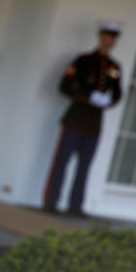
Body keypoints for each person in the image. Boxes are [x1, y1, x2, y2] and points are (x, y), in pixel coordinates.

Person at [42, 21, 124, 217]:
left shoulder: (114, 66)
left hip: (94, 124)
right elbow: (65, 86)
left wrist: (107, 101)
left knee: (84, 166)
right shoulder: (83, 60)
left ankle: (75, 205)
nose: (110, 41)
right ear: (100, 37)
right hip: (75, 119)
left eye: (114, 38)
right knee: (62, 161)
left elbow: (118, 93)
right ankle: (51, 201)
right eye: (107, 36)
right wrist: (89, 97)